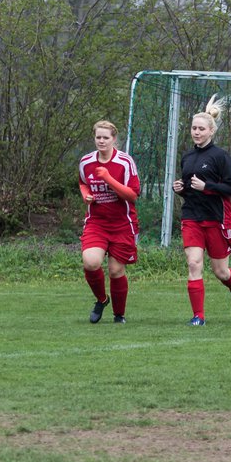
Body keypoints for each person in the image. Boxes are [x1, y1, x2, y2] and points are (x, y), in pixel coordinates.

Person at [172, 95, 231, 326]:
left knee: (221, 271)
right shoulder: (188, 157)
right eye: (194, 128)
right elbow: (190, 189)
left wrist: (208, 187)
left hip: (217, 218)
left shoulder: (220, 156)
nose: (196, 132)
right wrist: (180, 189)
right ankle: (198, 317)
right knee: (194, 263)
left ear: (211, 131)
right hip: (192, 216)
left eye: (201, 129)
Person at [78, 120, 140, 324]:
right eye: (98, 137)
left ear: (114, 139)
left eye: (106, 137)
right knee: (91, 262)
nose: (101, 141)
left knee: (115, 270)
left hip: (122, 224)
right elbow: (83, 183)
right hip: (97, 222)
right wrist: (86, 194)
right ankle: (101, 299)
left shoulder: (124, 162)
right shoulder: (86, 161)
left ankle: (119, 315)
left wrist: (108, 179)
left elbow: (132, 195)